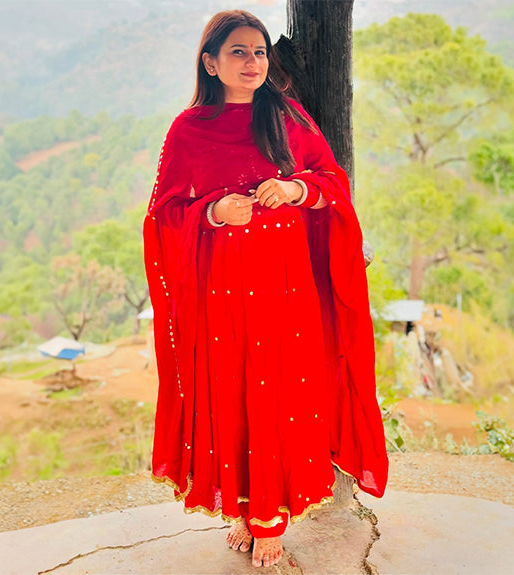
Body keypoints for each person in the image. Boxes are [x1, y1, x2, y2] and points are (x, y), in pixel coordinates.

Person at [143, 9, 388, 569]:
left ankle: (270, 518)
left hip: (286, 287)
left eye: (259, 52)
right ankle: (240, 504)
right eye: (238, 52)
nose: (252, 62)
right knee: (230, 392)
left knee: (281, 392)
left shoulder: (286, 115)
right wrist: (213, 211)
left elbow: (331, 181)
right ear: (211, 63)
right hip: (222, 291)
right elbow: (164, 215)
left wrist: (296, 190)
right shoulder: (189, 129)